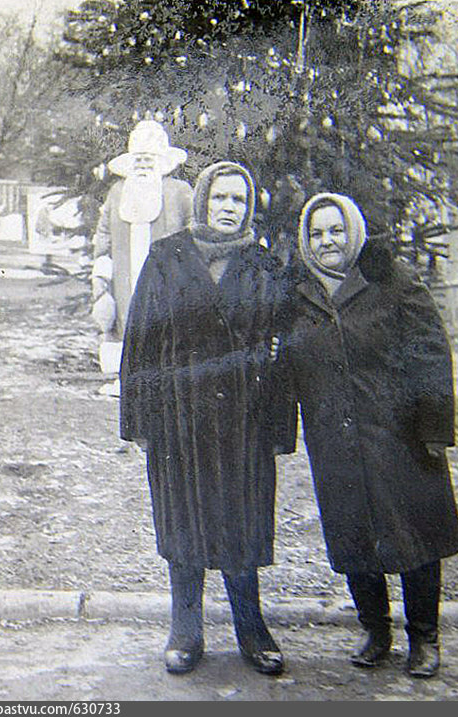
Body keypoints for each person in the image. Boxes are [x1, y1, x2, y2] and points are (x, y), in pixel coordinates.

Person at [274, 192, 458, 678]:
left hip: (401, 437)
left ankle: (424, 637)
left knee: (415, 536)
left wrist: (435, 428)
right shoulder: (297, 295)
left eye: (336, 230)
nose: (327, 241)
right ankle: (376, 631)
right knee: (353, 535)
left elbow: (430, 355)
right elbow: (285, 366)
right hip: (334, 440)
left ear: (353, 231)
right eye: (317, 233)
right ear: (306, 241)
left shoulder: (392, 280)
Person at [120, 161, 285, 675]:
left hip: (244, 421)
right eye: (220, 197)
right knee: (182, 522)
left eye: (239, 199)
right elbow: (139, 342)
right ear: (203, 200)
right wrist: (139, 422)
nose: (229, 208)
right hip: (179, 420)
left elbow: (280, 349)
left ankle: (252, 629)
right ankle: (185, 629)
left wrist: (279, 428)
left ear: (249, 207)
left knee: (243, 524)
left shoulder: (263, 264)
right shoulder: (166, 257)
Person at [92, 120, 193, 373]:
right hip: (126, 274)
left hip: (166, 276)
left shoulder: (179, 192)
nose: (143, 165)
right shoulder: (117, 192)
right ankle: (127, 376)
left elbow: (193, 231)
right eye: (139, 159)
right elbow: (104, 235)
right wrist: (101, 284)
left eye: (149, 159)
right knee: (126, 321)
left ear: (162, 161)